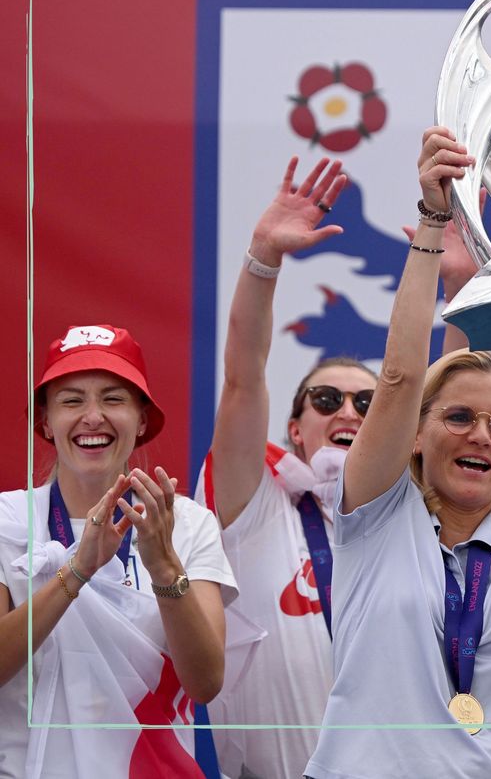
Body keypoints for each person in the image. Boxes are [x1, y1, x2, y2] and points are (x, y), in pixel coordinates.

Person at [303, 127, 491, 779]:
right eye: (461, 416)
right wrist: (430, 219)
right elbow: (397, 379)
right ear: (417, 432)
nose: (482, 435)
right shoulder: (376, 517)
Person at [0, 325, 236, 778]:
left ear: (142, 418)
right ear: (46, 421)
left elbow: (204, 683)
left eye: (113, 399)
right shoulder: (8, 518)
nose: (93, 417)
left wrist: (164, 566)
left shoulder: (186, 524)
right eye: (71, 400)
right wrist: (77, 570)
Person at [195, 156, 359, 779]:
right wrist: (264, 258)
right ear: (294, 430)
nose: (347, 410)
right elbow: (242, 381)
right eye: (326, 399)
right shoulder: (255, 504)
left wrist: (458, 285)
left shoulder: (407, 516)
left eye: (368, 404)